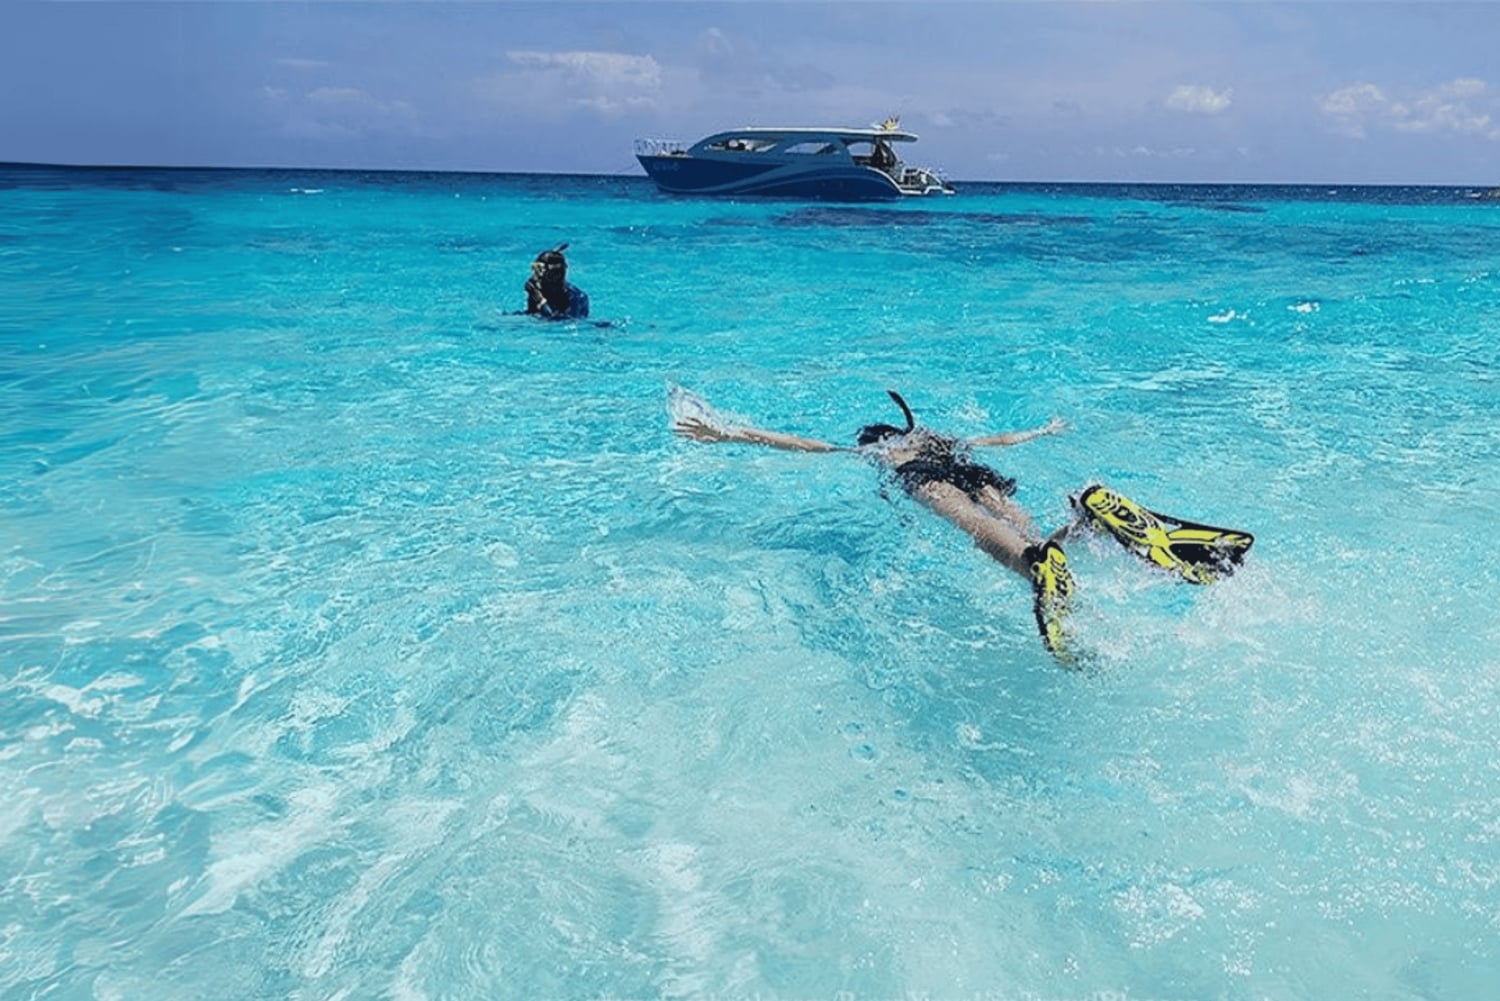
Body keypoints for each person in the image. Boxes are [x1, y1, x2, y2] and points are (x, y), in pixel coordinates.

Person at [673, 389, 1078, 661]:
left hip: (926, 476)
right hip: (970, 469)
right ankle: (1080, 529)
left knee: (972, 523)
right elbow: (999, 439)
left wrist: (728, 434)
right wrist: (1043, 430)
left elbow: (806, 445)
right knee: (1023, 525)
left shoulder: (884, 450)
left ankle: (1032, 569)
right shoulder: (936, 439)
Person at [524, 244, 590, 320]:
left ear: (556, 275)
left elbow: (562, 323)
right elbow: (531, 315)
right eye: (535, 269)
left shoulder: (576, 298)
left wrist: (540, 300)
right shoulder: (542, 290)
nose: (536, 276)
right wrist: (532, 299)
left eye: (540, 271)